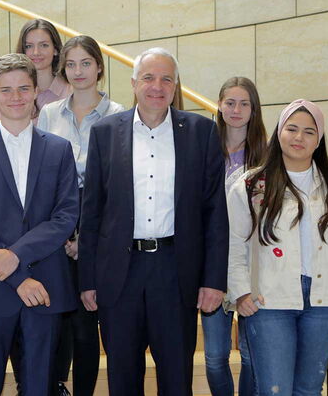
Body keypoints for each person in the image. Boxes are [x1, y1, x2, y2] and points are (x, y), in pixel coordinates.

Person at [78, 47, 228, 395]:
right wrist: (87, 279)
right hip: (120, 273)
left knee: (176, 378)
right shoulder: (104, 132)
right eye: (148, 78)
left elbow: (215, 213)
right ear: (134, 83)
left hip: (176, 272)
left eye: (166, 79)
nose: (157, 86)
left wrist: (213, 280)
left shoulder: (201, 132)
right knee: (123, 377)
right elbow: (92, 212)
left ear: (175, 86)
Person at [227, 99, 328, 396]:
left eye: (309, 132)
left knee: (309, 389)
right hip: (269, 302)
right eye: (292, 129)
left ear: (319, 140)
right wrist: (240, 291)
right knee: (274, 389)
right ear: (279, 132)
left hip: (326, 302)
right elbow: (232, 243)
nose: (299, 137)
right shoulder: (251, 185)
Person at [0, 53, 80, 396]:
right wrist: (17, 276)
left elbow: (65, 216)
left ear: (35, 92)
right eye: (6, 89)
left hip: (46, 284)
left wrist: (15, 256)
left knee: (40, 385)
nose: (16, 97)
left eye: (24, 88)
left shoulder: (59, 149)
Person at [36, 35, 124, 395]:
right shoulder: (49, 113)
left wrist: (85, 238)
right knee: (59, 320)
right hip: (58, 219)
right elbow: (42, 178)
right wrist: (62, 234)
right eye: (70, 64)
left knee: (87, 325)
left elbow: (118, 187)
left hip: (101, 223)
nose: (78, 71)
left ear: (99, 67)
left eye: (85, 63)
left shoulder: (118, 114)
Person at [202, 77, 266, 396]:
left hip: (251, 264)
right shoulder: (205, 148)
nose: (236, 110)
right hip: (212, 263)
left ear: (254, 109)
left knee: (252, 357)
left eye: (244, 104)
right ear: (219, 105)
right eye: (230, 103)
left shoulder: (267, 156)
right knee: (215, 357)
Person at [15, 19, 69, 111]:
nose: (36, 52)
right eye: (29, 46)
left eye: (44, 45)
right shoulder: (13, 94)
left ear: (55, 49)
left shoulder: (71, 92)